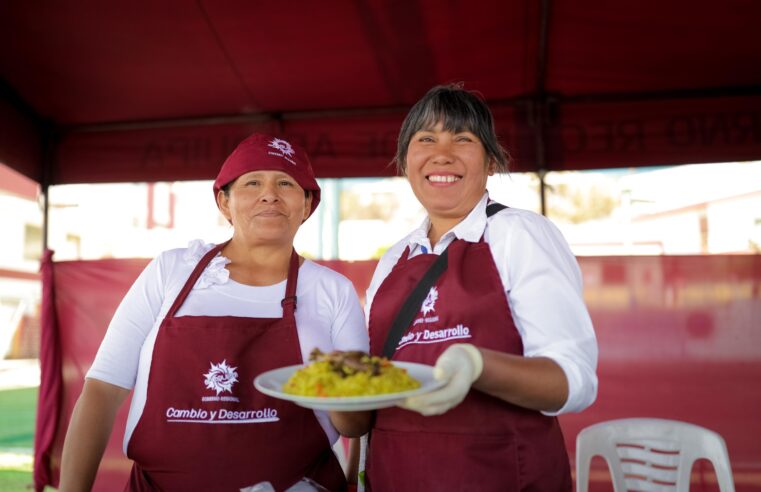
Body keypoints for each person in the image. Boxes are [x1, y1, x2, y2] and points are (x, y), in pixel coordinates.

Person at [59, 134, 369, 491]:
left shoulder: (333, 290)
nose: (270, 194)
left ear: (307, 203)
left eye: (286, 183)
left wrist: (338, 385)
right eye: (253, 182)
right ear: (224, 201)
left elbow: (355, 425)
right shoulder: (170, 271)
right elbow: (102, 389)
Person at [362, 84, 598, 490]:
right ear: (405, 161)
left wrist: (478, 366)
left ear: (491, 162)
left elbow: (573, 381)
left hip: (502, 477)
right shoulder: (393, 259)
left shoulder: (519, 234)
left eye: (463, 139)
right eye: (426, 139)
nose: (443, 153)